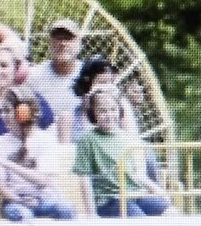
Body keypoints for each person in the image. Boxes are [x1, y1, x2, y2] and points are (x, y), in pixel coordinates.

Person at [72, 86, 171, 218]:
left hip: (135, 194)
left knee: (171, 212)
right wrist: (91, 213)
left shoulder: (126, 137)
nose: (109, 115)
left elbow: (137, 175)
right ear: (93, 114)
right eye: (103, 111)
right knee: (141, 220)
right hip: (110, 199)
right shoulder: (87, 140)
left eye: (113, 110)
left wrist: (158, 191)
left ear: (119, 111)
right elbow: (84, 178)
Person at [0, 86, 77, 222]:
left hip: (44, 199)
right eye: (2, 111)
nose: (2, 116)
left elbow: (42, 180)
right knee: (24, 216)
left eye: (7, 111)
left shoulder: (45, 139)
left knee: (66, 209)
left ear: (22, 113)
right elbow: (1, 187)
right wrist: (21, 201)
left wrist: (5, 163)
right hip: (15, 202)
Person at [26, 18, 83, 142]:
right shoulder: (34, 76)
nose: (62, 43)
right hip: (45, 145)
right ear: (50, 44)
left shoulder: (89, 74)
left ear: (79, 44)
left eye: (68, 39)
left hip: (83, 145)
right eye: (58, 38)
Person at [69, 54, 140, 142]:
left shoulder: (119, 112)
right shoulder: (72, 118)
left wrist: (123, 104)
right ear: (86, 86)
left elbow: (133, 142)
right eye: (102, 83)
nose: (107, 89)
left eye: (110, 83)